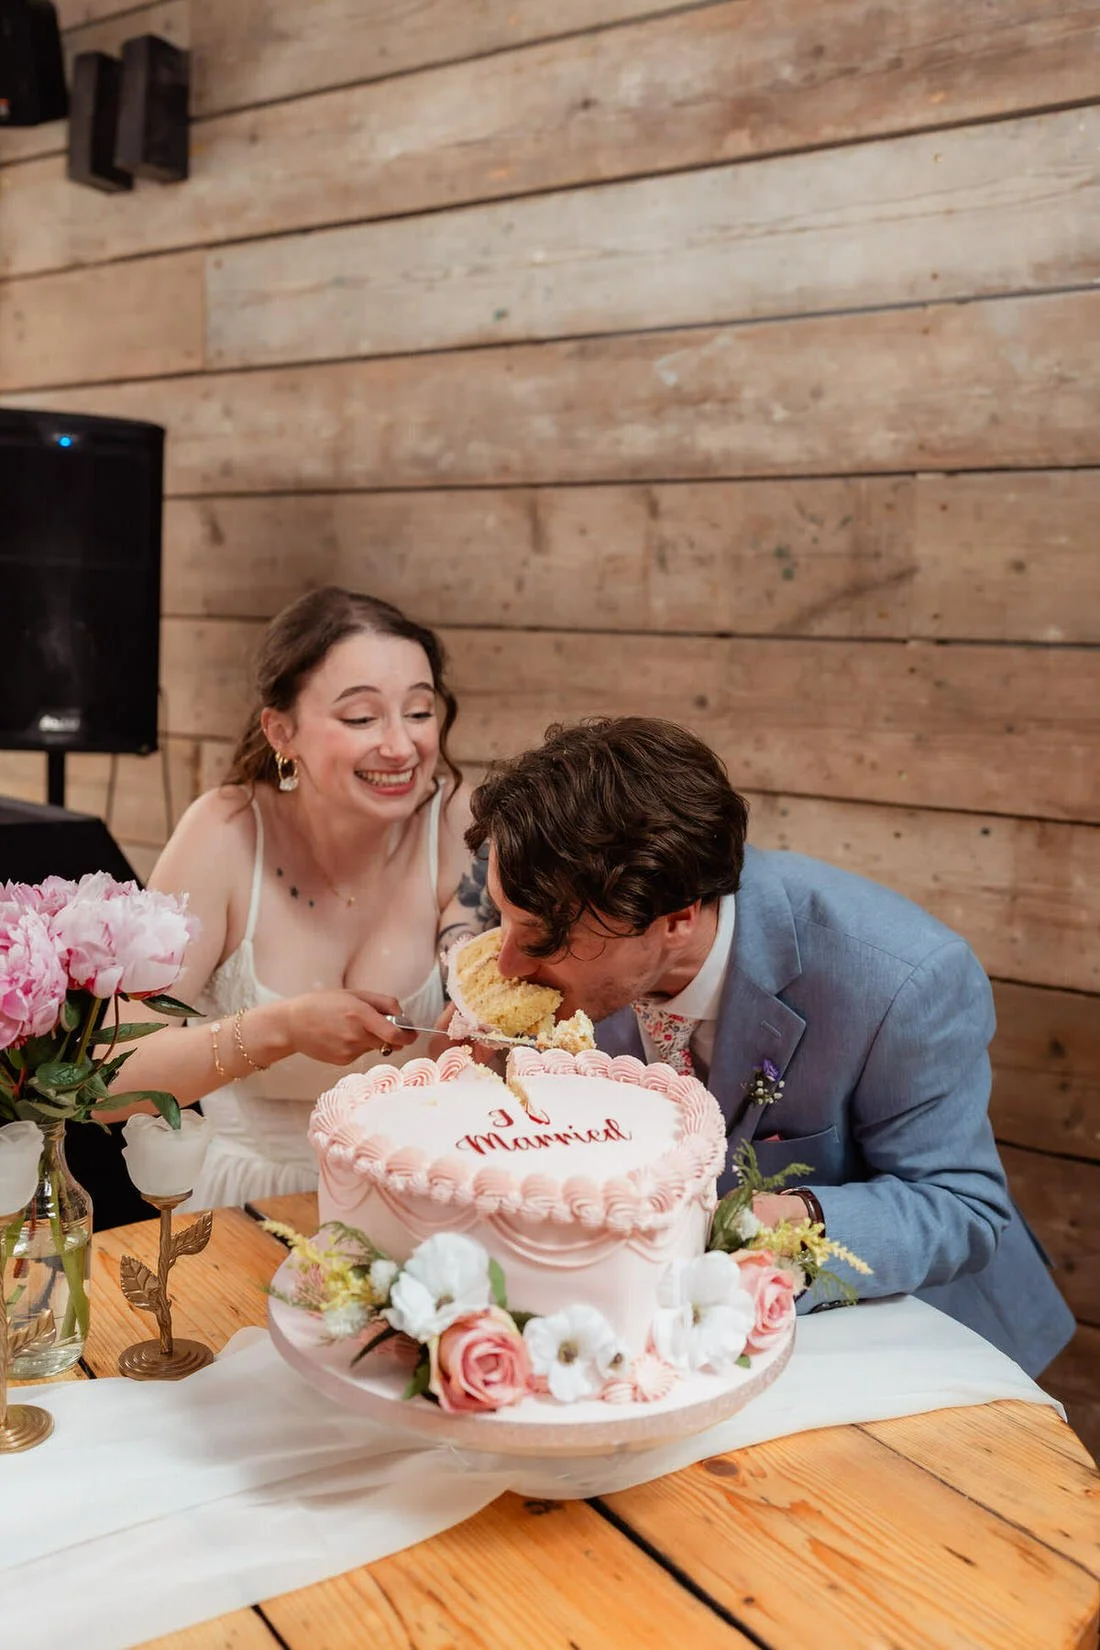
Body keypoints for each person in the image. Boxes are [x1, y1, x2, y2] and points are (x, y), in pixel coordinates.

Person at [460, 715, 1075, 1377]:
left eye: (542, 939)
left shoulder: (905, 982)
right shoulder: (568, 910)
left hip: (902, 1336)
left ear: (676, 919)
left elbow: (961, 1205)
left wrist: (795, 1217)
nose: (505, 967)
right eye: (505, 921)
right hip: (663, 1340)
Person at [115, 587, 492, 1208]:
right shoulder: (224, 834)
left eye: (419, 712)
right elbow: (114, 1081)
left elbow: (498, 1003)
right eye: (361, 718)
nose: (401, 747)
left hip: (416, 1198)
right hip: (244, 1202)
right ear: (281, 731)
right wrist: (280, 1028)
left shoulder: (458, 824)